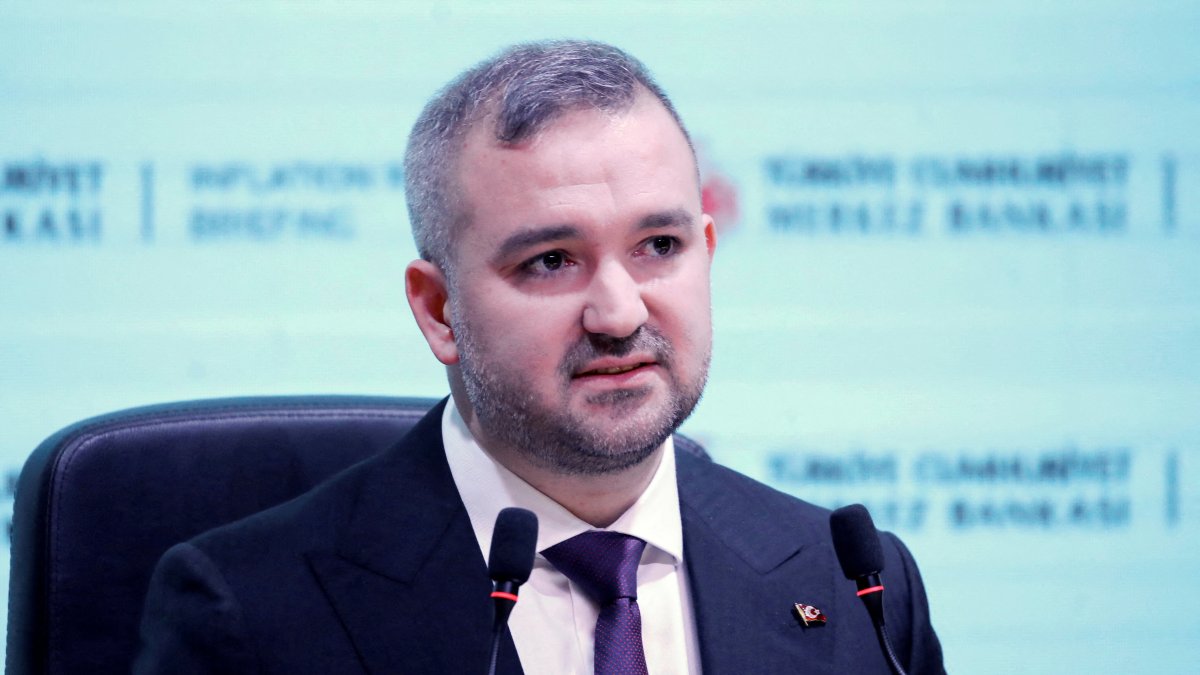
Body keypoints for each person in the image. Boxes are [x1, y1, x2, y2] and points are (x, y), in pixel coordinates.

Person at [135, 40, 944, 674]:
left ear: (706, 250)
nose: (620, 312)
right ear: (439, 309)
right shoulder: (249, 610)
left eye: (659, 245)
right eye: (551, 260)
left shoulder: (855, 584)